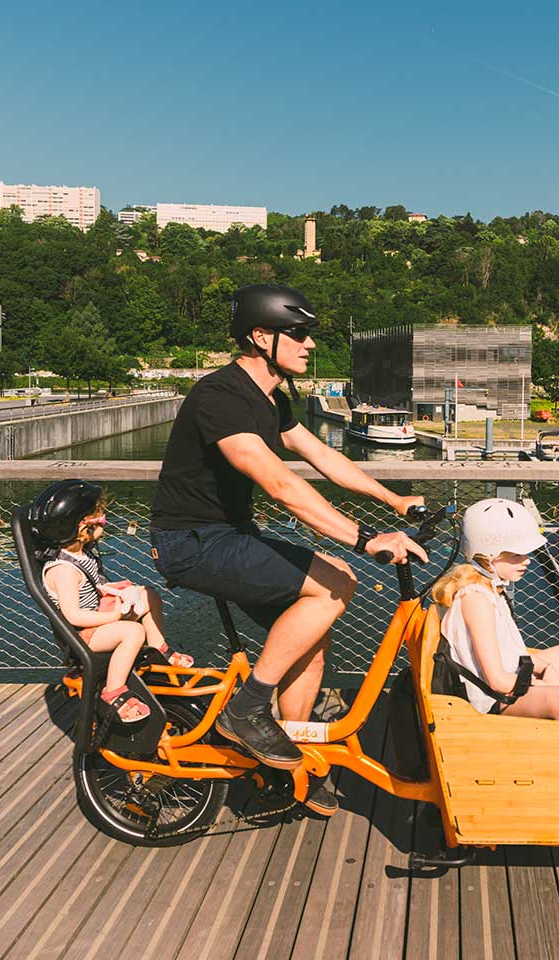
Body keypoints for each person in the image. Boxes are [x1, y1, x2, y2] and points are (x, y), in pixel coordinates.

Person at [149, 283, 425, 815]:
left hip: (229, 537)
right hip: (190, 542)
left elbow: (321, 455)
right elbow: (279, 484)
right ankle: (248, 708)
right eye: (297, 334)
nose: (309, 345)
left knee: (311, 639)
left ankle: (290, 759)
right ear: (260, 336)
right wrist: (367, 539)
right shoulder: (220, 396)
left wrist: (393, 500)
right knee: (337, 582)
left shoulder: (274, 397)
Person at [433, 498, 559, 722]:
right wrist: (544, 684)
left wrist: (546, 668)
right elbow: (496, 681)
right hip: (491, 699)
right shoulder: (476, 601)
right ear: (488, 557)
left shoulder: (490, 588)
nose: (526, 561)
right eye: (516, 555)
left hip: (511, 676)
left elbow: (510, 654)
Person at [31, 479, 192, 723]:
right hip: (82, 634)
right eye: (99, 514)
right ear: (82, 526)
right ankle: (114, 690)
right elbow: (74, 616)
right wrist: (115, 616)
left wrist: (114, 593)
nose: (105, 518)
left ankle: (160, 648)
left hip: (97, 618)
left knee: (150, 595)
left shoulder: (82, 554)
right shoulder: (63, 570)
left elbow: (91, 589)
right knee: (133, 632)